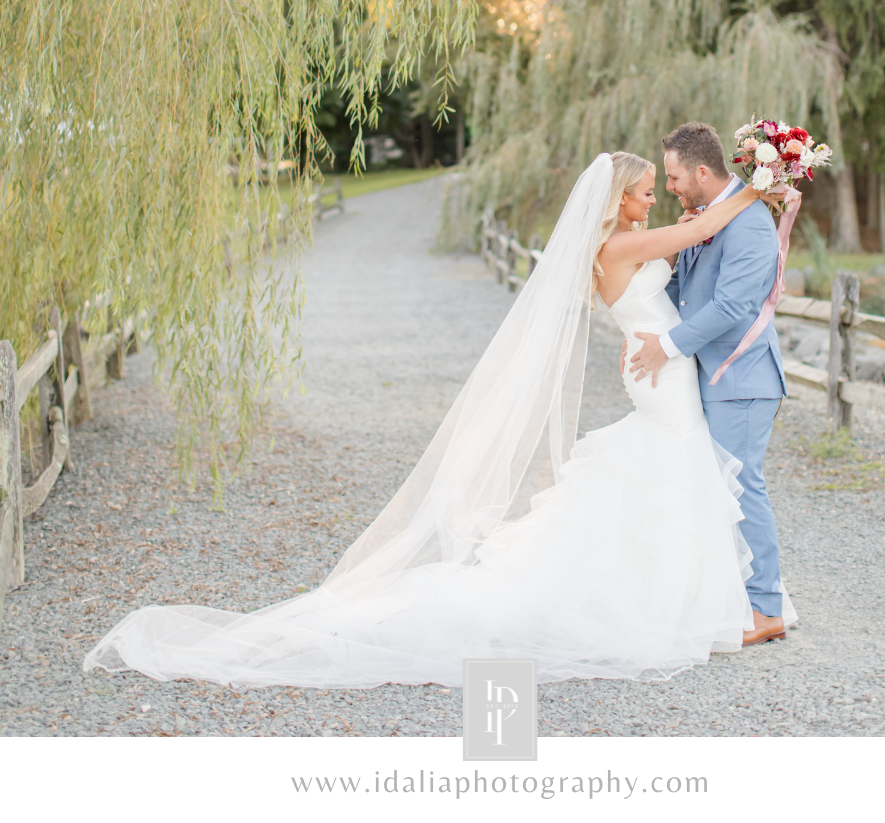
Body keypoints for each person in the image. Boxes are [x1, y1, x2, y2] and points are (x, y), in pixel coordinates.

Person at [84, 149, 787, 689]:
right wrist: (765, 179)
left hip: (660, 377)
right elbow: (707, 223)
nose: (650, 199)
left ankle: (694, 591)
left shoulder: (617, 246)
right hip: (661, 381)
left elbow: (697, 232)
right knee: (674, 470)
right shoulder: (620, 248)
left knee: (668, 477)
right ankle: (687, 598)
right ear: (617, 201)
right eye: (641, 192)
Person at [627, 122, 790, 645]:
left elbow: (733, 306)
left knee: (742, 488)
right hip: (714, 377)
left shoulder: (748, 223)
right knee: (720, 487)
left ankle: (765, 609)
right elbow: (685, 293)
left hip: (742, 379)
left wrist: (668, 346)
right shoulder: (711, 217)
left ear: (701, 171)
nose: (670, 187)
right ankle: (734, 595)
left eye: (673, 177)